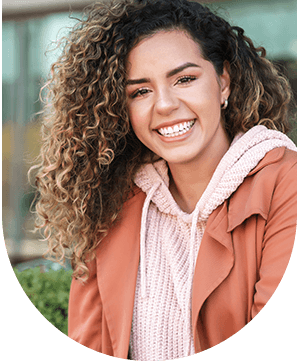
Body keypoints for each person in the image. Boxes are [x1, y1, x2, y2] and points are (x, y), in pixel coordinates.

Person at [32, 0, 297, 360]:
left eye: (184, 79)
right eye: (140, 91)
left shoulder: (285, 182)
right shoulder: (113, 202)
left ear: (223, 83)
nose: (165, 105)